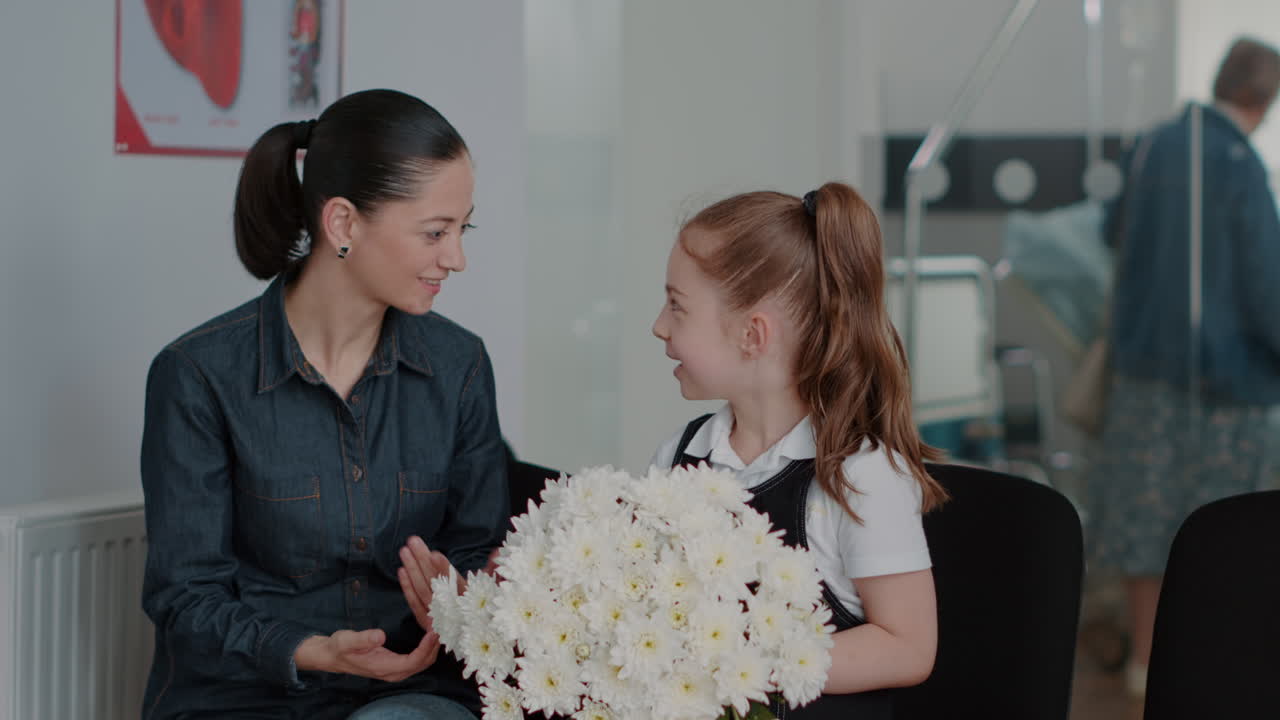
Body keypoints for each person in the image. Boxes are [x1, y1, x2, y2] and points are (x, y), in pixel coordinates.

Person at [139, 89, 507, 719]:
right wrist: (312, 650)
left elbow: (479, 551)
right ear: (343, 224)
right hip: (245, 698)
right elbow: (187, 599)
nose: (457, 258)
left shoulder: (460, 366)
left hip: (409, 695)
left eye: (462, 228)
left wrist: (460, 590)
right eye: (435, 232)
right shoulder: (198, 375)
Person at [648, 182, 944, 718]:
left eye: (677, 307)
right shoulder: (682, 453)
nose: (659, 325)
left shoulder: (860, 475)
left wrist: (743, 666)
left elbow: (908, 646)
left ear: (753, 336)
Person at [1089, 36, 1280, 697]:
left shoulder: (1153, 147)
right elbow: (1266, 291)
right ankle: (1215, 667)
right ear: (1263, 99)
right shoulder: (1240, 167)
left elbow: (1111, 232)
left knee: (1149, 524)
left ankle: (1147, 664)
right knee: (1224, 532)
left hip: (1144, 376)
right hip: (1226, 390)